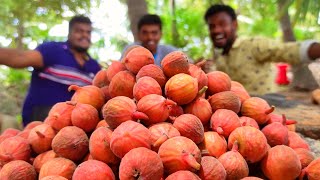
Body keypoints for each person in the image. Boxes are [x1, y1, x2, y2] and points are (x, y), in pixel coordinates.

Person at [0, 15, 101, 126]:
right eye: (79, 31)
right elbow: (21, 57)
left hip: (75, 128)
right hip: (39, 123)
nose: (85, 35)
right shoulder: (52, 50)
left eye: (88, 32)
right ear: (69, 33)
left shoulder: (94, 66)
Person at [204, 4, 320, 95]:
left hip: (269, 107)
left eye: (222, 24)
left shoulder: (254, 45)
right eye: (211, 26)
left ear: (235, 25)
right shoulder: (219, 57)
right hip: (239, 116)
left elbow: (287, 50)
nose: (216, 30)